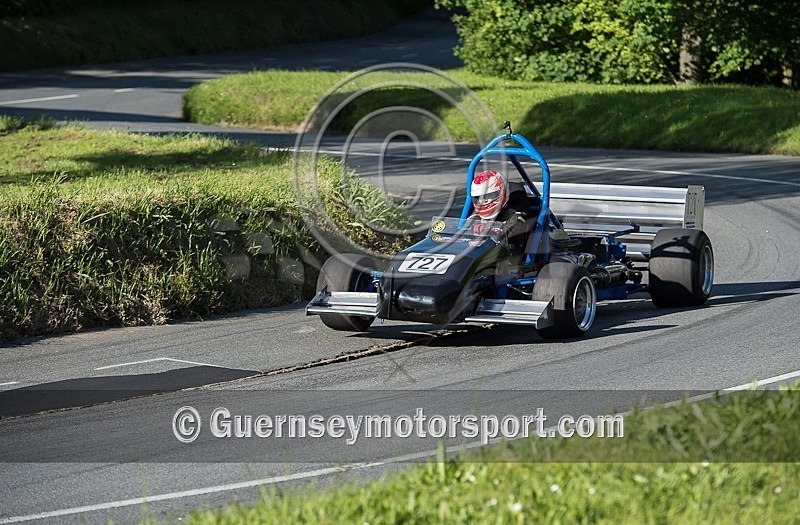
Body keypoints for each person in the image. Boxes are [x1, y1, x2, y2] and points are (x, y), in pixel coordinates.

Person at [469, 169, 530, 251]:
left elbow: (514, 239)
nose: (483, 201)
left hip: (507, 258)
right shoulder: (475, 217)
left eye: (487, 196)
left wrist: (492, 231)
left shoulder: (516, 217)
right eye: (478, 198)